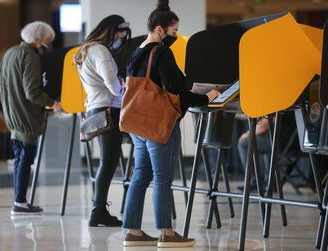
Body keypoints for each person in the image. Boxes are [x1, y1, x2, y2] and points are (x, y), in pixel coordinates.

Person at [122, 0, 220, 248]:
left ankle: (132, 231)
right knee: (162, 178)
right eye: (173, 31)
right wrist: (205, 97)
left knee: (140, 176)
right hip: (157, 125)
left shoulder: (137, 51)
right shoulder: (161, 52)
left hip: (138, 124)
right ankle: (166, 231)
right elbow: (176, 89)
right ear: (159, 29)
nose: (176, 35)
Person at [0, 21, 60, 215]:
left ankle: (19, 200)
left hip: (11, 115)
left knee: (19, 158)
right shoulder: (30, 57)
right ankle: (20, 202)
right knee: (26, 160)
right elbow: (32, 92)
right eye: (47, 41)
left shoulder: (9, 53)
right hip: (27, 117)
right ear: (37, 40)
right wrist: (52, 103)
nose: (47, 45)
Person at [75, 15, 131, 227]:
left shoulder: (86, 50)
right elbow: (112, 85)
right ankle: (98, 212)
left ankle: (98, 211)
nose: (120, 38)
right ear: (111, 31)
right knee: (108, 163)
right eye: (119, 33)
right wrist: (123, 86)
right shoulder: (100, 51)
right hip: (108, 110)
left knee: (107, 163)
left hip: (95, 109)